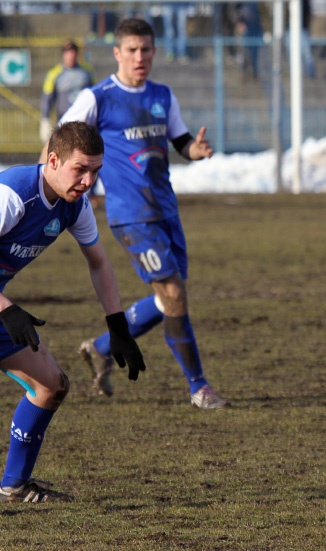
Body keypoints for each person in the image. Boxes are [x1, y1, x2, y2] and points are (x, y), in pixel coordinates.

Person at [41, 18, 227, 409]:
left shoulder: (162, 95)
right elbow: (58, 140)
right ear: (117, 53)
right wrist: (48, 189)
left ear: (154, 52)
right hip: (130, 215)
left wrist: (198, 150)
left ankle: (102, 347)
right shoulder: (98, 97)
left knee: (168, 298)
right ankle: (199, 387)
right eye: (132, 50)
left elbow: (181, 143)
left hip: (166, 210)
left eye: (146, 49)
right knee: (173, 293)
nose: (139, 57)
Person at [0, 122, 145, 502]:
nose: (88, 180)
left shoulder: (74, 206)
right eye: (80, 169)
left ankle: (14, 485)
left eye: (95, 171)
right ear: (53, 160)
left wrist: (117, 326)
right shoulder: (12, 195)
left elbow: (99, 263)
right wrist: (8, 309)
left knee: (51, 386)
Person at [40, 41, 93, 145]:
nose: (71, 56)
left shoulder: (86, 72)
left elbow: (94, 94)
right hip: (63, 121)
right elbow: (47, 98)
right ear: (63, 55)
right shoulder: (54, 74)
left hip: (83, 122)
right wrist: (45, 119)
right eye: (68, 52)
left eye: (73, 52)